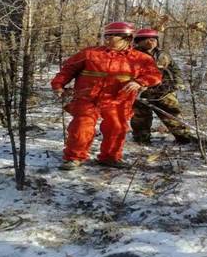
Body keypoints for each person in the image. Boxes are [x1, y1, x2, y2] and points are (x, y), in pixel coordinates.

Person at [51, 21, 162, 170]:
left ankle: (110, 157)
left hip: (119, 99)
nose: (107, 40)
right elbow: (68, 69)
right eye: (106, 36)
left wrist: (140, 82)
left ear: (127, 38)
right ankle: (74, 158)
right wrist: (58, 85)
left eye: (112, 36)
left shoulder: (141, 58)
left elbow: (155, 75)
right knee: (81, 127)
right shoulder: (90, 53)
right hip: (87, 97)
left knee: (116, 128)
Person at [130, 28, 196, 145]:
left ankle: (184, 138)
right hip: (141, 92)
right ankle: (141, 140)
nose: (151, 42)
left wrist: (177, 82)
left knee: (173, 115)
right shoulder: (132, 55)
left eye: (154, 39)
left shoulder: (163, 55)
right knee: (140, 119)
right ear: (139, 41)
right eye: (147, 39)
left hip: (164, 91)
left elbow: (174, 69)